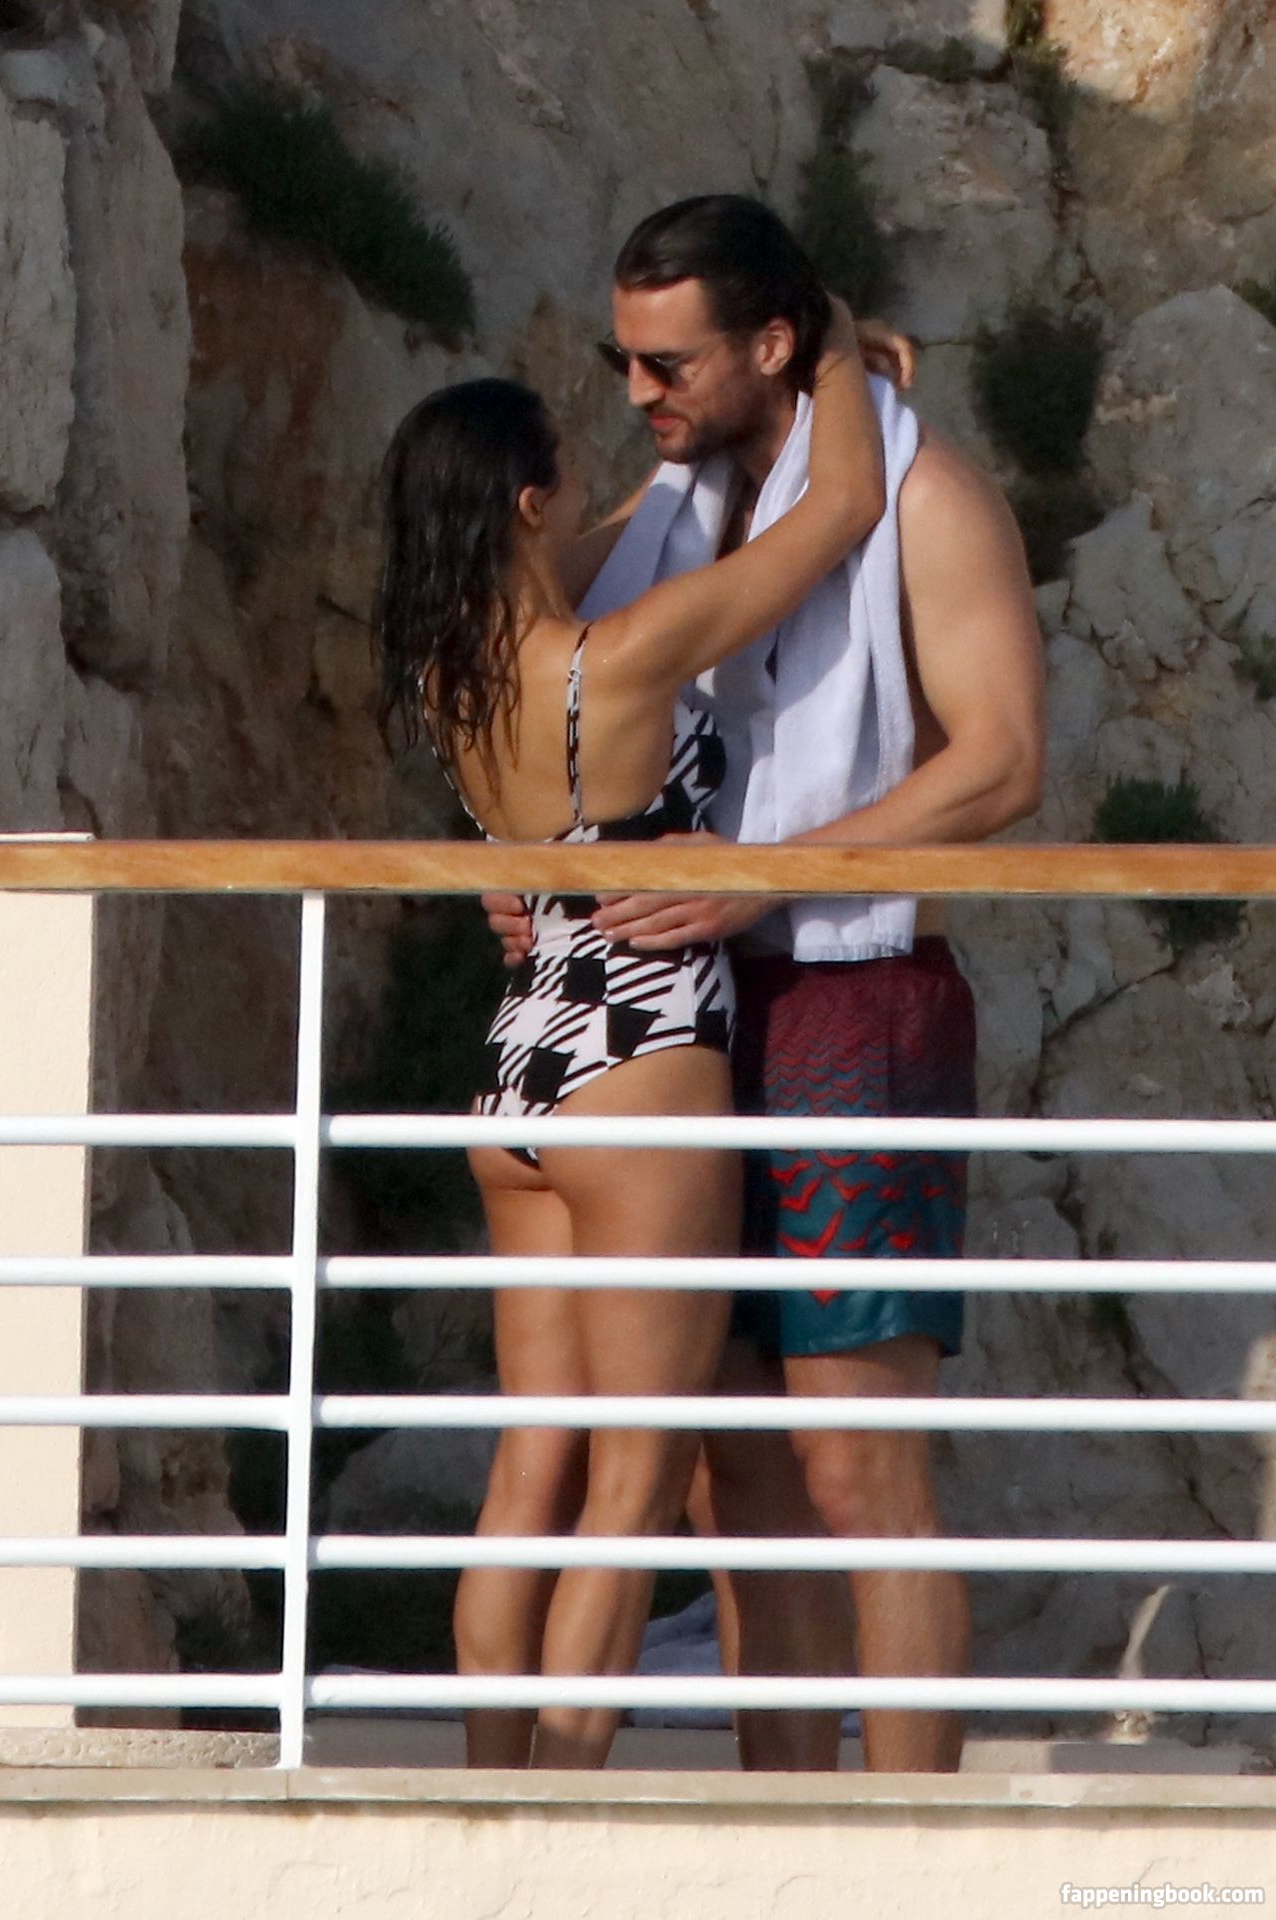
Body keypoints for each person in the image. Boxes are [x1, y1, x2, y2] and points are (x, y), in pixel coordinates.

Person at [485, 193, 1046, 1773]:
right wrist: (520, 863)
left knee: (855, 1459)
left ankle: (909, 1851)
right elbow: (544, 695)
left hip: (853, 1002)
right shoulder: (673, 506)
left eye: (667, 364)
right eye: (623, 360)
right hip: (677, 1018)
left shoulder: (930, 497)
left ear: (774, 343)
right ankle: (782, 1823)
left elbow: (1001, 763)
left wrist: (769, 873)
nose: (637, 393)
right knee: (729, 1471)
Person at [376, 289, 889, 1769]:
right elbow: (841, 512)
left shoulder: (450, 676)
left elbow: (601, 534)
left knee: (531, 1470)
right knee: (636, 1477)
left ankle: (491, 1792)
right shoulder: (624, 658)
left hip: (519, 1069)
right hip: (643, 1060)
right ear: (528, 502)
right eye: (563, 469)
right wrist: (831, 349)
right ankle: (564, 1804)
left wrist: (683, 458)